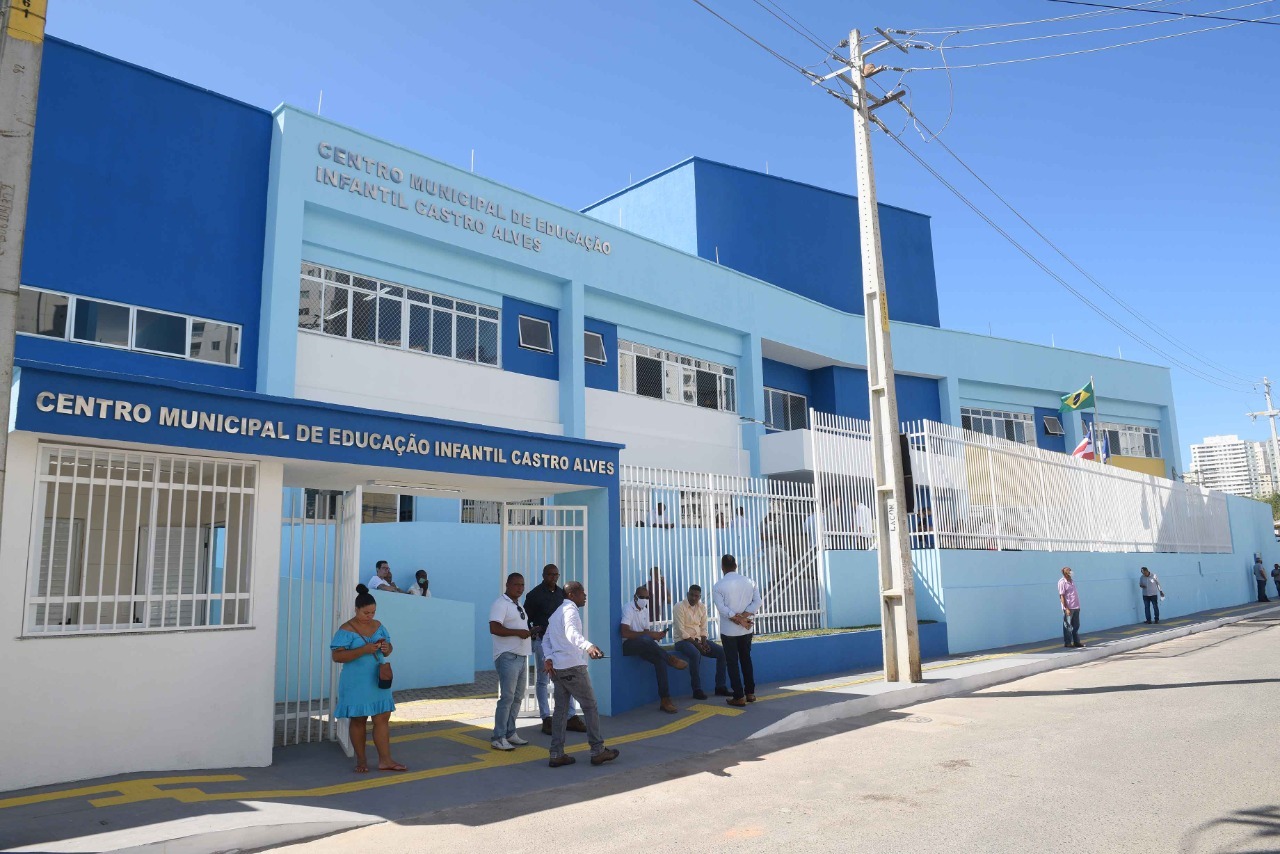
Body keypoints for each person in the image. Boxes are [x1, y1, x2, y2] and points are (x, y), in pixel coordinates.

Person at [330, 584, 406, 773]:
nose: (370, 616)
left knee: (382, 718)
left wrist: (387, 649)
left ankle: (385, 760)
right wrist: (363, 650)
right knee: (358, 720)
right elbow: (337, 656)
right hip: (356, 682)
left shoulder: (379, 626)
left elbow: (389, 648)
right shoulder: (346, 629)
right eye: (366, 613)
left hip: (378, 680)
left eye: (373, 612)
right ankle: (361, 761)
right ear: (356, 609)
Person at [543, 581, 619, 768]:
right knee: (590, 706)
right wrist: (588, 646)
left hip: (558, 669)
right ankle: (597, 750)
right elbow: (571, 632)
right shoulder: (570, 611)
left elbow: (546, 639)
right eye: (582, 593)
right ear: (571, 595)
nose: (585, 596)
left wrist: (549, 658)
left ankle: (556, 754)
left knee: (560, 712)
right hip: (573, 667)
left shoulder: (555, 615)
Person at [523, 563, 586, 735]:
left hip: (561, 645)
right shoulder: (534, 595)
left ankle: (571, 716)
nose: (553, 577)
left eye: (556, 574)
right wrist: (532, 633)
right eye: (550, 574)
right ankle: (545, 717)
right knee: (543, 680)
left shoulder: (561, 594)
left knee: (566, 678)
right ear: (543, 575)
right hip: (542, 642)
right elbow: (525, 618)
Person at [620, 584, 688, 714]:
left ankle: (665, 700)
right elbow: (624, 633)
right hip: (628, 645)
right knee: (647, 639)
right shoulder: (628, 608)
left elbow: (646, 632)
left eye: (647, 597)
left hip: (643, 644)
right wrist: (649, 635)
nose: (645, 599)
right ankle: (670, 659)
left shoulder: (645, 610)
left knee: (659, 661)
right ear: (635, 597)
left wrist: (655, 635)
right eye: (642, 597)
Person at [488, 572, 532, 751]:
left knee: (517, 697)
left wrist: (529, 630)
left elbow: (519, 627)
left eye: (522, 585)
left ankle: (510, 732)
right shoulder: (500, 604)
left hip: (521, 656)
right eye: (516, 585)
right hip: (507, 656)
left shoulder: (518, 604)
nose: (520, 588)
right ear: (507, 585)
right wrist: (518, 633)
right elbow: (494, 627)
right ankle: (498, 737)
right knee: (507, 697)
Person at [713, 553, 761, 707]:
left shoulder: (718, 586)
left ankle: (738, 696)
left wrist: (737, 618)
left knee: (732, 663)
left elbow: (722, 609)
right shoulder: (749, 582)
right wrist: (744, 616)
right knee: (746, 659)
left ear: (722, 567)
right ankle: (750, 693)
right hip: (746, 630)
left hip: (729, 631)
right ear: (736, 566)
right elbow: (757, 602)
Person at [671, 584, 729, 700]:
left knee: (722, 653)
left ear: (699, 597)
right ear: (687, 594)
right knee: (695, 654)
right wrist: (698, 646)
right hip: (682, 642)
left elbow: (703, 628)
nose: (693, 598)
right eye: (691, 595)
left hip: (698, 641)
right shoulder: (679, 606)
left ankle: (720, 687)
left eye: (696, 596)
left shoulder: (702, 607)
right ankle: (697, 690)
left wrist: (704, 642)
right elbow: (682, 632)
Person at [1059, 566, 1083, 648]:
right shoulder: (1062, 582)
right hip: (1069, 608)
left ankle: (1076, 642)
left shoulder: (1072, 581)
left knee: (1076, 626)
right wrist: (1066, 608)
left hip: (1076, 607)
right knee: (1067, 626)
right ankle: (1068, 642)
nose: (1071, 572)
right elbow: (1061, 596)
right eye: (1069, 571)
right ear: (1066, 573)